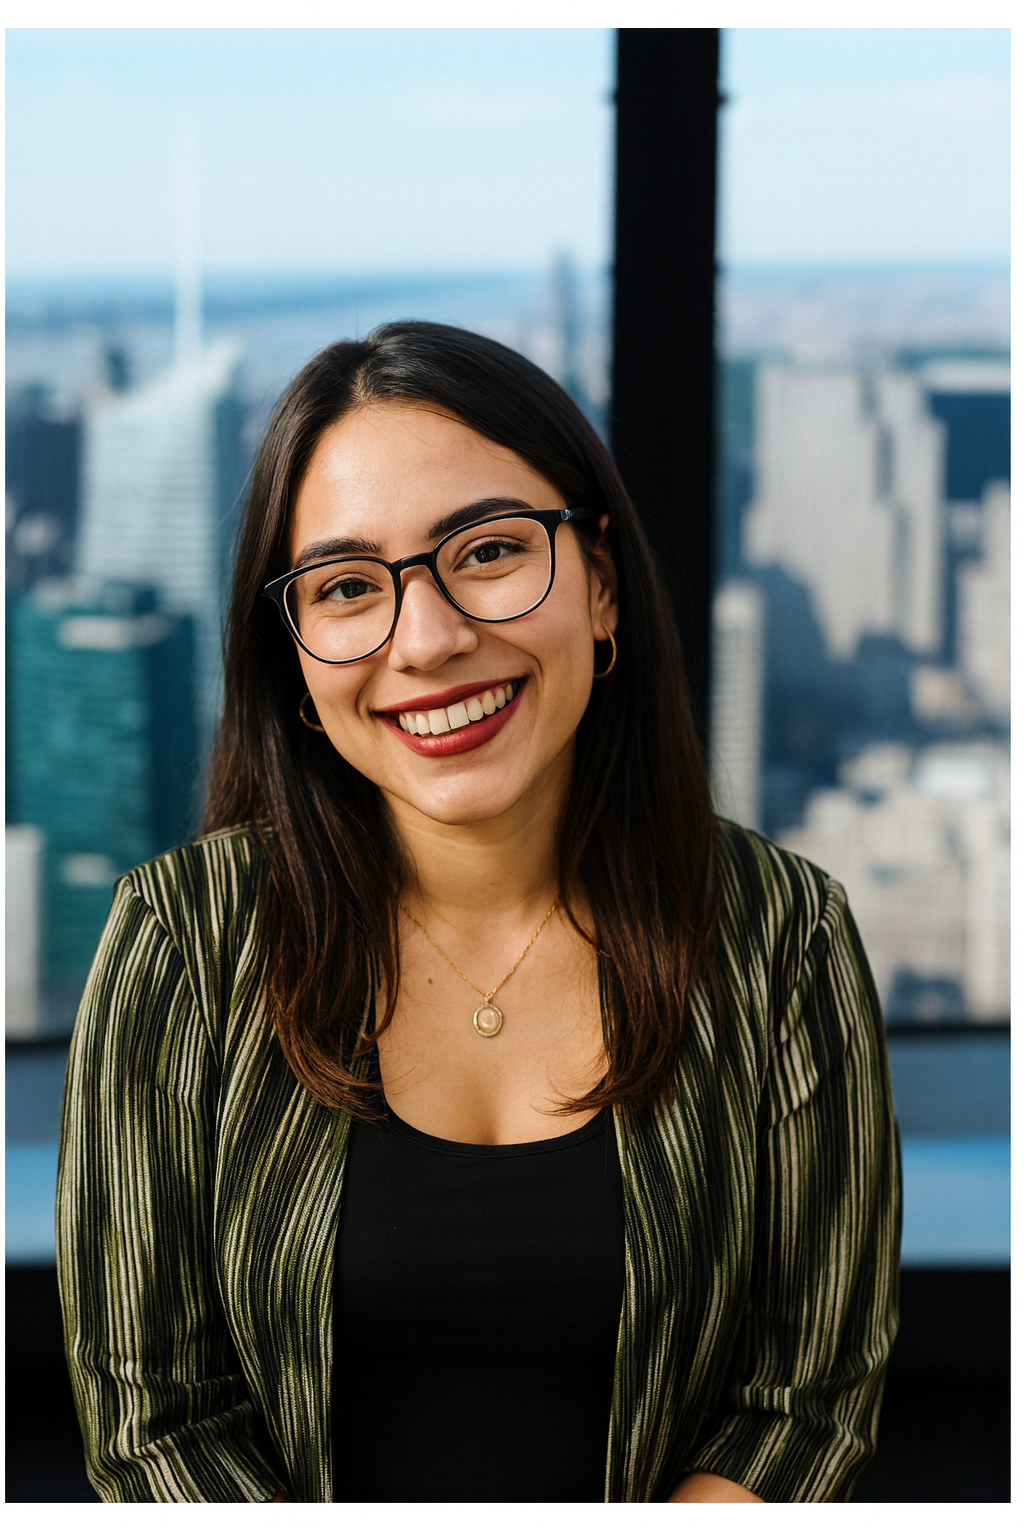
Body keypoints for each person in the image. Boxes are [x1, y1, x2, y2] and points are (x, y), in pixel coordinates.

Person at [57, 322, 900, 1504]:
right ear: (294, 658)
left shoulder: (784, 936)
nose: (431, 639)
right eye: (348, 587)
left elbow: (803, 1395)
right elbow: (153, 1422)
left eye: (489, 552)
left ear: (600, 586)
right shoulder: (178, 948)